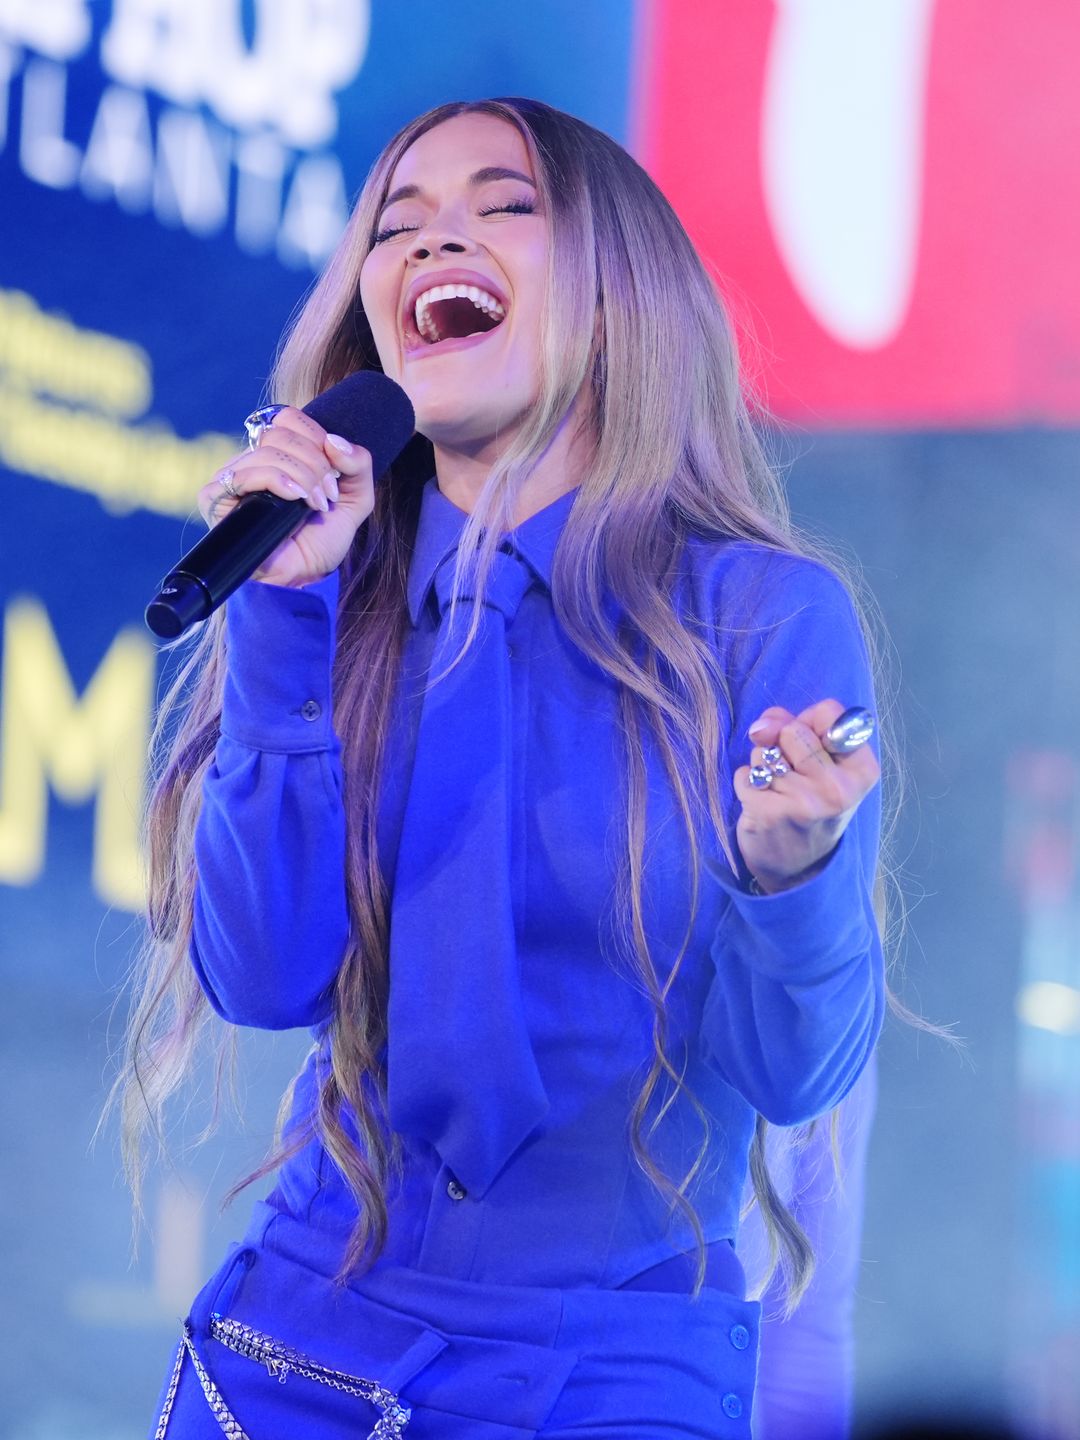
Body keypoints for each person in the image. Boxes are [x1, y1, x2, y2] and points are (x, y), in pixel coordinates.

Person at [123, 97, 886, 1438]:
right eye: (397, 223)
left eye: (502, 204)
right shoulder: (330, 592)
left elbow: (792, 1075)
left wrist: (793, 878)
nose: (432, 240)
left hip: (610, 1370)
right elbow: (262, 972)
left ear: (619, 288)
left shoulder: (758, 616)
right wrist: (285, 608)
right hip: (306, 1350)